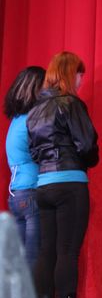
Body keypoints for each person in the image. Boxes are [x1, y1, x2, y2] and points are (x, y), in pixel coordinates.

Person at [27, 51, 98, 298]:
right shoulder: (71, 103)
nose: (81, 79)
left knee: (47, 251)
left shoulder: (35, 110)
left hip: (43, 184)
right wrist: (89, 159)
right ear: (71, 74)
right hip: (70, 181)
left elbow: (33, 151)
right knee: (67, 251)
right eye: (79, 73)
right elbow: (87, 143)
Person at [4, 66, 46, 269]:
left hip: (16, 194)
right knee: (33, 260)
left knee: (21, 263)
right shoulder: (32, 121)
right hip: (32, 191)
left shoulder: (16, 121)